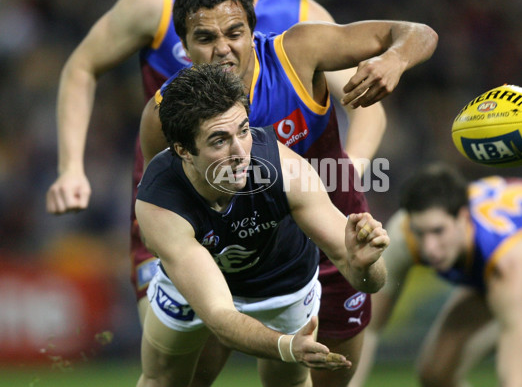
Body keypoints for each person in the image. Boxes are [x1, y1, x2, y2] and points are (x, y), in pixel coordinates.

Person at [139, 0, 437, 385]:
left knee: (330, 374)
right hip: (235, 244)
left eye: (234, 33)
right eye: (205, 39)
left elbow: (417, 33)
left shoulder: (297, 53)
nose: (222, 49)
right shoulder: (163, 113)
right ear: (184, 48)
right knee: (189, 378)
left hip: (328, 222)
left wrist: (394, 59)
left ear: (252, 29)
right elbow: (172, 186)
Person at [45, 0, 387, 324]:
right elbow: (82, 66)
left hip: (286, 208)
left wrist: (345, 172)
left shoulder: (301, 13)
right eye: (206, 38)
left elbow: (367, 106)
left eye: (235, 33)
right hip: (182, 202)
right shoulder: (156, 2)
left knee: (312, 355)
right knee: (173, 355)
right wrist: (70, 167)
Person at [135, 63, 389, 387]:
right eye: (219, 141)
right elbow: (220, 316)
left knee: (290, 382)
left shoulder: (287, 171)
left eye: (243, 130)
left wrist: (365, 265)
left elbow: (370, 283)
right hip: (194, 285)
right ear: (184, 150)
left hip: (283, 279)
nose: (240, 152)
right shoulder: (160, 204)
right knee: (162, 380)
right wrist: (286, 345)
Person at [349, 163, 522, 387]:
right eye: (420, 233)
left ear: (463, 218)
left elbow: (515, 380)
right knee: (435, 375)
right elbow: (367, 326)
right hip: (513, 260)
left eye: (438, 231)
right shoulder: (403, 234)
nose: (429, 248)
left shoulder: (507, 262)